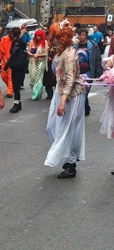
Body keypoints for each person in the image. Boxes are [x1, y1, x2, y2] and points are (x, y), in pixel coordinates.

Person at [45, 23, 86, 179]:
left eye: (52, 35)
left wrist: (62, 100)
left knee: (70, 130)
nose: (50, 38)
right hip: (62, 92)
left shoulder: (69, 54)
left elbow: (69, 79)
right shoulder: (62, 51)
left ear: (59, 38)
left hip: (72, 95)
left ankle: (71, 163)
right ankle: (66, 158)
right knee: (53, 127)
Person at [74, 27, 102, 116]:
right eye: (79, 35)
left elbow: (97, 60)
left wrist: (98, 73)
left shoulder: (92, 46)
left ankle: (81, 110)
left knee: (84, 92)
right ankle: (86, 108)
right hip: (77, 73)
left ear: (86, 36)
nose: (81, 37)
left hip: (88, 72)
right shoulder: (74, 46)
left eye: (83, 35)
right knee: (79, 92)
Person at [4, 28, 27, 113]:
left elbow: (12, 55)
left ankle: (16, 104)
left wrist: (6, 67)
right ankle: (18, 102)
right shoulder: (21, 42)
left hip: (16, 66)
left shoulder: (15, 43)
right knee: (17, 84)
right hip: (22, 65)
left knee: (15, 86)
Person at [27, 29, 48, 100]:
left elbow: (45, 53)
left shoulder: (44, 43)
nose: (38, 37)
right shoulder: (31, 42)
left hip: (41, 62)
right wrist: (33, 55)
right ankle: (35, 92)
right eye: (37, 36)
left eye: (39, 36)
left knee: (38, 77)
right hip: (32, 62)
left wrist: (38, 55)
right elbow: (28, 52)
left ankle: (35, 95)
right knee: (32, 78)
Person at [0, 27, 14, 98]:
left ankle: (10, 90)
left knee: (10, 76)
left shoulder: (15, 40)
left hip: (12, 61)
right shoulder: (4, 39)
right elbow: (1, 50)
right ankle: (10, 87)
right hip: (4, 61)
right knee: (3, 76)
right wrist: (3, 59)